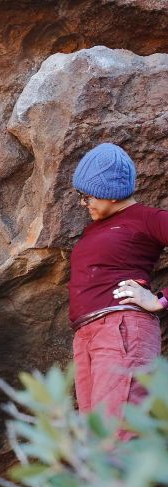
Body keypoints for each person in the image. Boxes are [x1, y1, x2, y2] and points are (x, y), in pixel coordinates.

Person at [69, 142, 168, 440]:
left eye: (87, 196)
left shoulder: (146, 218)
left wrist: (160, 299)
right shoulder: (96, 228)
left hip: (122, 330)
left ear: (110, 193)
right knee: (95, 445)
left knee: (117, 439)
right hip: (87, 337)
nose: (83, 203)